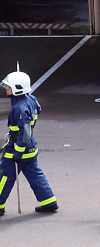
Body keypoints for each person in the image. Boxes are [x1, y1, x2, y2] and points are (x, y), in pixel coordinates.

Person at [0, 70, 57, 216]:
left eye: (9, 86)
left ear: (17, 88)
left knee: (4, 176)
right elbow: (38, 109)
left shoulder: (19, 108)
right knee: (35, 174)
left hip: (19, 147)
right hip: (31, 147)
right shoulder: (30, 99)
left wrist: (18, 151)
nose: (6, 89)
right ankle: (48, 201)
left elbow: (24, 132)